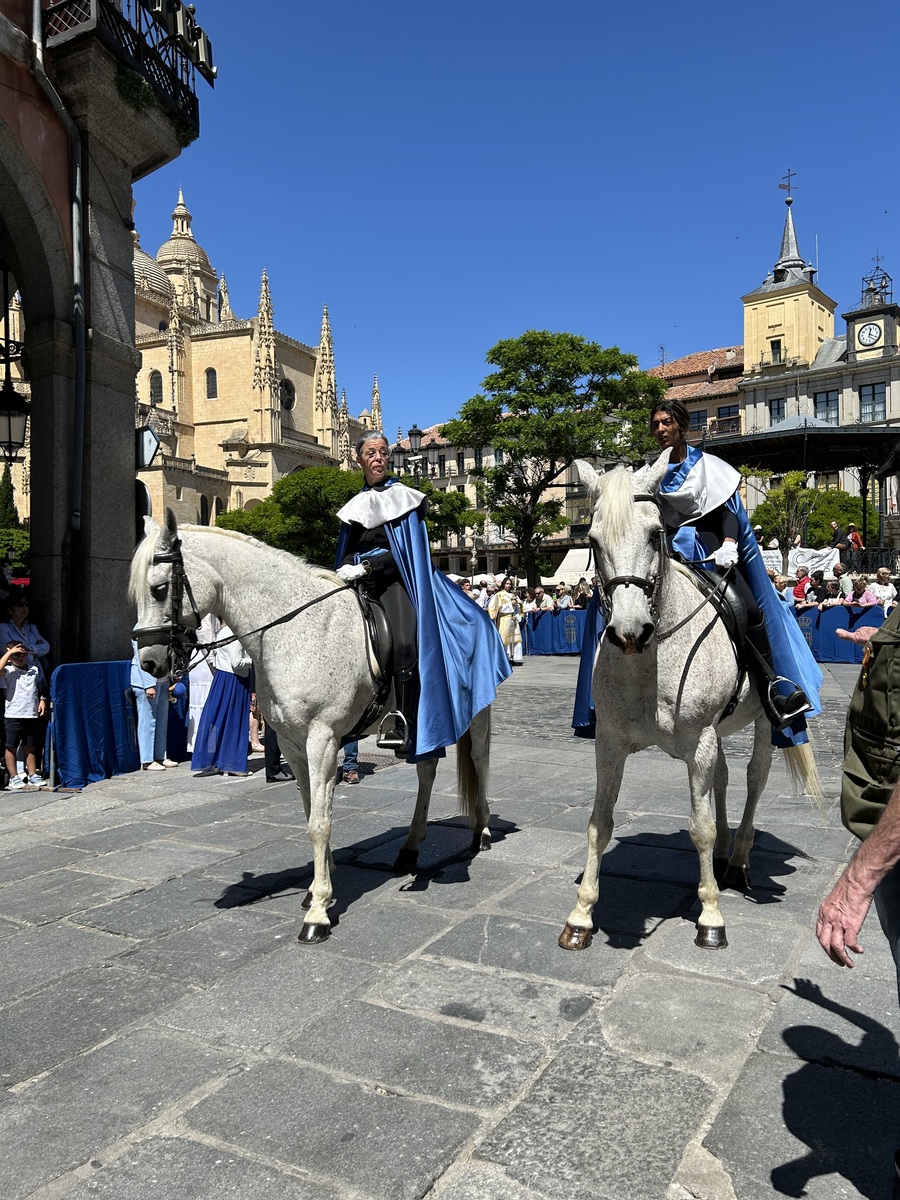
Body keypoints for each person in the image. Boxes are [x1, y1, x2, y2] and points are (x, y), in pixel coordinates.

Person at [633, 398, 821, 737]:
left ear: (682, 426)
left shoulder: (708, 467)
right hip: (667, 557)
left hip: (709, 554)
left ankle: (774, 687)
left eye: (666, 423)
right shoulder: (648, 476)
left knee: (749, 609)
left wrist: (730, 544)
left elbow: (727, 513)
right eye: (655, 424)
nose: (660, 429)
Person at [335, 431, 510, 761]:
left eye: (383, 452)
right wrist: (345, 568)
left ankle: (401, 722)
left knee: (403, 643)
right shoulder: (354, 505)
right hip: (355, 582)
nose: (378, 458)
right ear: (358, 459)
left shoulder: (403, 497)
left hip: (393, 581)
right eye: (371, 452)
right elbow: (346, 549)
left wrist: (367, 567)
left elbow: (404, 552)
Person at [190, 625, 253, 777]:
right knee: (234, 721)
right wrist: (254, 660)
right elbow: (237, 663)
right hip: (234, 680)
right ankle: (232, 764)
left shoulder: (223, 632)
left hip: (223, 677)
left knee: (218, 720)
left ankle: (215, 760)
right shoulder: (233, 634)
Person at [1, 640, 47, 788]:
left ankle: (32, 773)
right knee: (11, 746)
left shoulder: (34, 669)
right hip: (14, 713)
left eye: (22, 654)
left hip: (30, 713)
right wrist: (8, 653)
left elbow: (40, 686)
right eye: (16, 656)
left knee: (30, 746)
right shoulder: (9, 671)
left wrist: (42, 700)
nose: (19, 658)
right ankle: (14, 776)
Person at [130, 637, 175, 772]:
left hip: (163, 679)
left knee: (162, 720)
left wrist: (172, 676)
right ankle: (147, 760)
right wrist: (148, 684)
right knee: (147, 720)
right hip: (146, 682)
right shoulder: (141, 628)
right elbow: (141, 658)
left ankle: (160, 756)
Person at [0, 593, 49, 667]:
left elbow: (46, 647)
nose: (24, 608)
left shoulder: (31, 627)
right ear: (10, 609)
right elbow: (12, 652)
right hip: (15, 674)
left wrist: (28, 648)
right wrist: (37, 648)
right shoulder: (3, 628)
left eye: (27, 604)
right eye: (20, 605)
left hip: (36, 672)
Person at [488, 577, 523, 665]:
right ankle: (504, 658)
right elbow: (498, 608)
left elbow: (518, 608)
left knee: (513, 639)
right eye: (507, 584)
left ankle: (512, 657)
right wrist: (510, 604)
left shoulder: (514, 595)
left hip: (513, 619)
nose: (508, 585)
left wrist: (516, 615)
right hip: (504, 619)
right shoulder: (499, 595)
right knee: (505, 640)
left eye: (510, 584)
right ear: (503, 584)